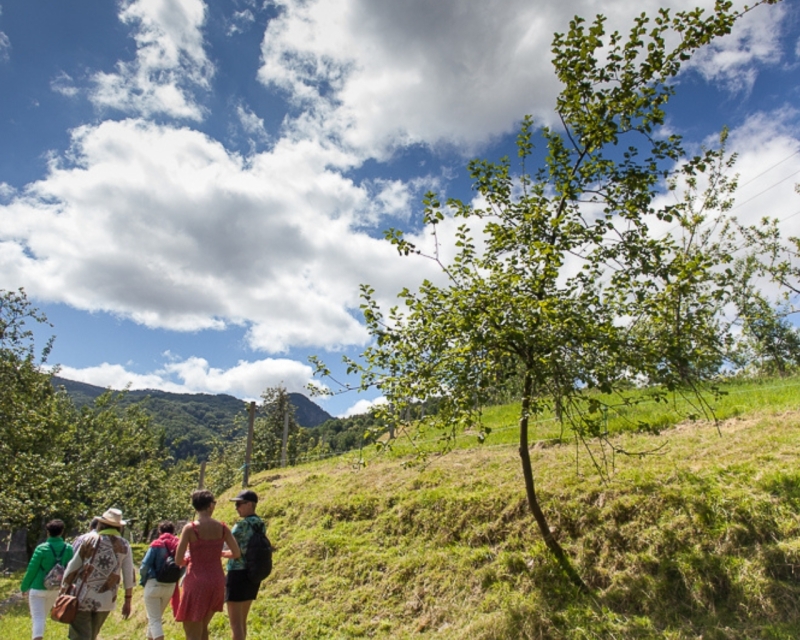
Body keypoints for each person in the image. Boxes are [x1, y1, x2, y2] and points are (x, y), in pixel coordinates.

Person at [175, 490, 241, 640]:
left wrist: (190, 559)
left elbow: (179, 560)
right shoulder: (222, 528)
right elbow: (236, 553)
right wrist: (220, 554)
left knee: (191, 630)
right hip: (217, 581)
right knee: (203, 627)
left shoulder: (190, 529)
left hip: (196, 582)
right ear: (210, 505)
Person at [61, 508, 135, 640]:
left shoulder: (90, 540)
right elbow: (129, 574)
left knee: (80, 636)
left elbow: (73, 567)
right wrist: (128, 600)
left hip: (82, 596)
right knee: (92, 636)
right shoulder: (124, 545)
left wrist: (63, 589)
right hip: (106, 599)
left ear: (101, 524)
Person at [20, 519, 75, 640]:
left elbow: (32, 569)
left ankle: (37, 638)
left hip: (38, 587)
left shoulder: (41, 548)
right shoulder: (68, 548)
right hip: (56, 588)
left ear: (47, 532)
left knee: (38, 618)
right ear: (62, 532)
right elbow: (70, 568)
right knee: (42, 617)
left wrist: (24, 587)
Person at [224, 490, 267, 640]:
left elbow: (234, 552)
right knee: (242, 621)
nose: (236, 507)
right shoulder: (260, 523)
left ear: (249, 504)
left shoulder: (241, 525)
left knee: (235, 624)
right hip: (253, 574)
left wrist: (221, 554)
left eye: (239, 504)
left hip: (237, 573)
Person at [140, 521, 181, 640]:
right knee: (155, 619)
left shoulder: (156, 544)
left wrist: (143, 580)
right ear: (173, 532)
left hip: (153, 584)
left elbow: (144, 566)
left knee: (154, 620)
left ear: (159, 532)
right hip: (170, 586)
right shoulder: (178, 545)